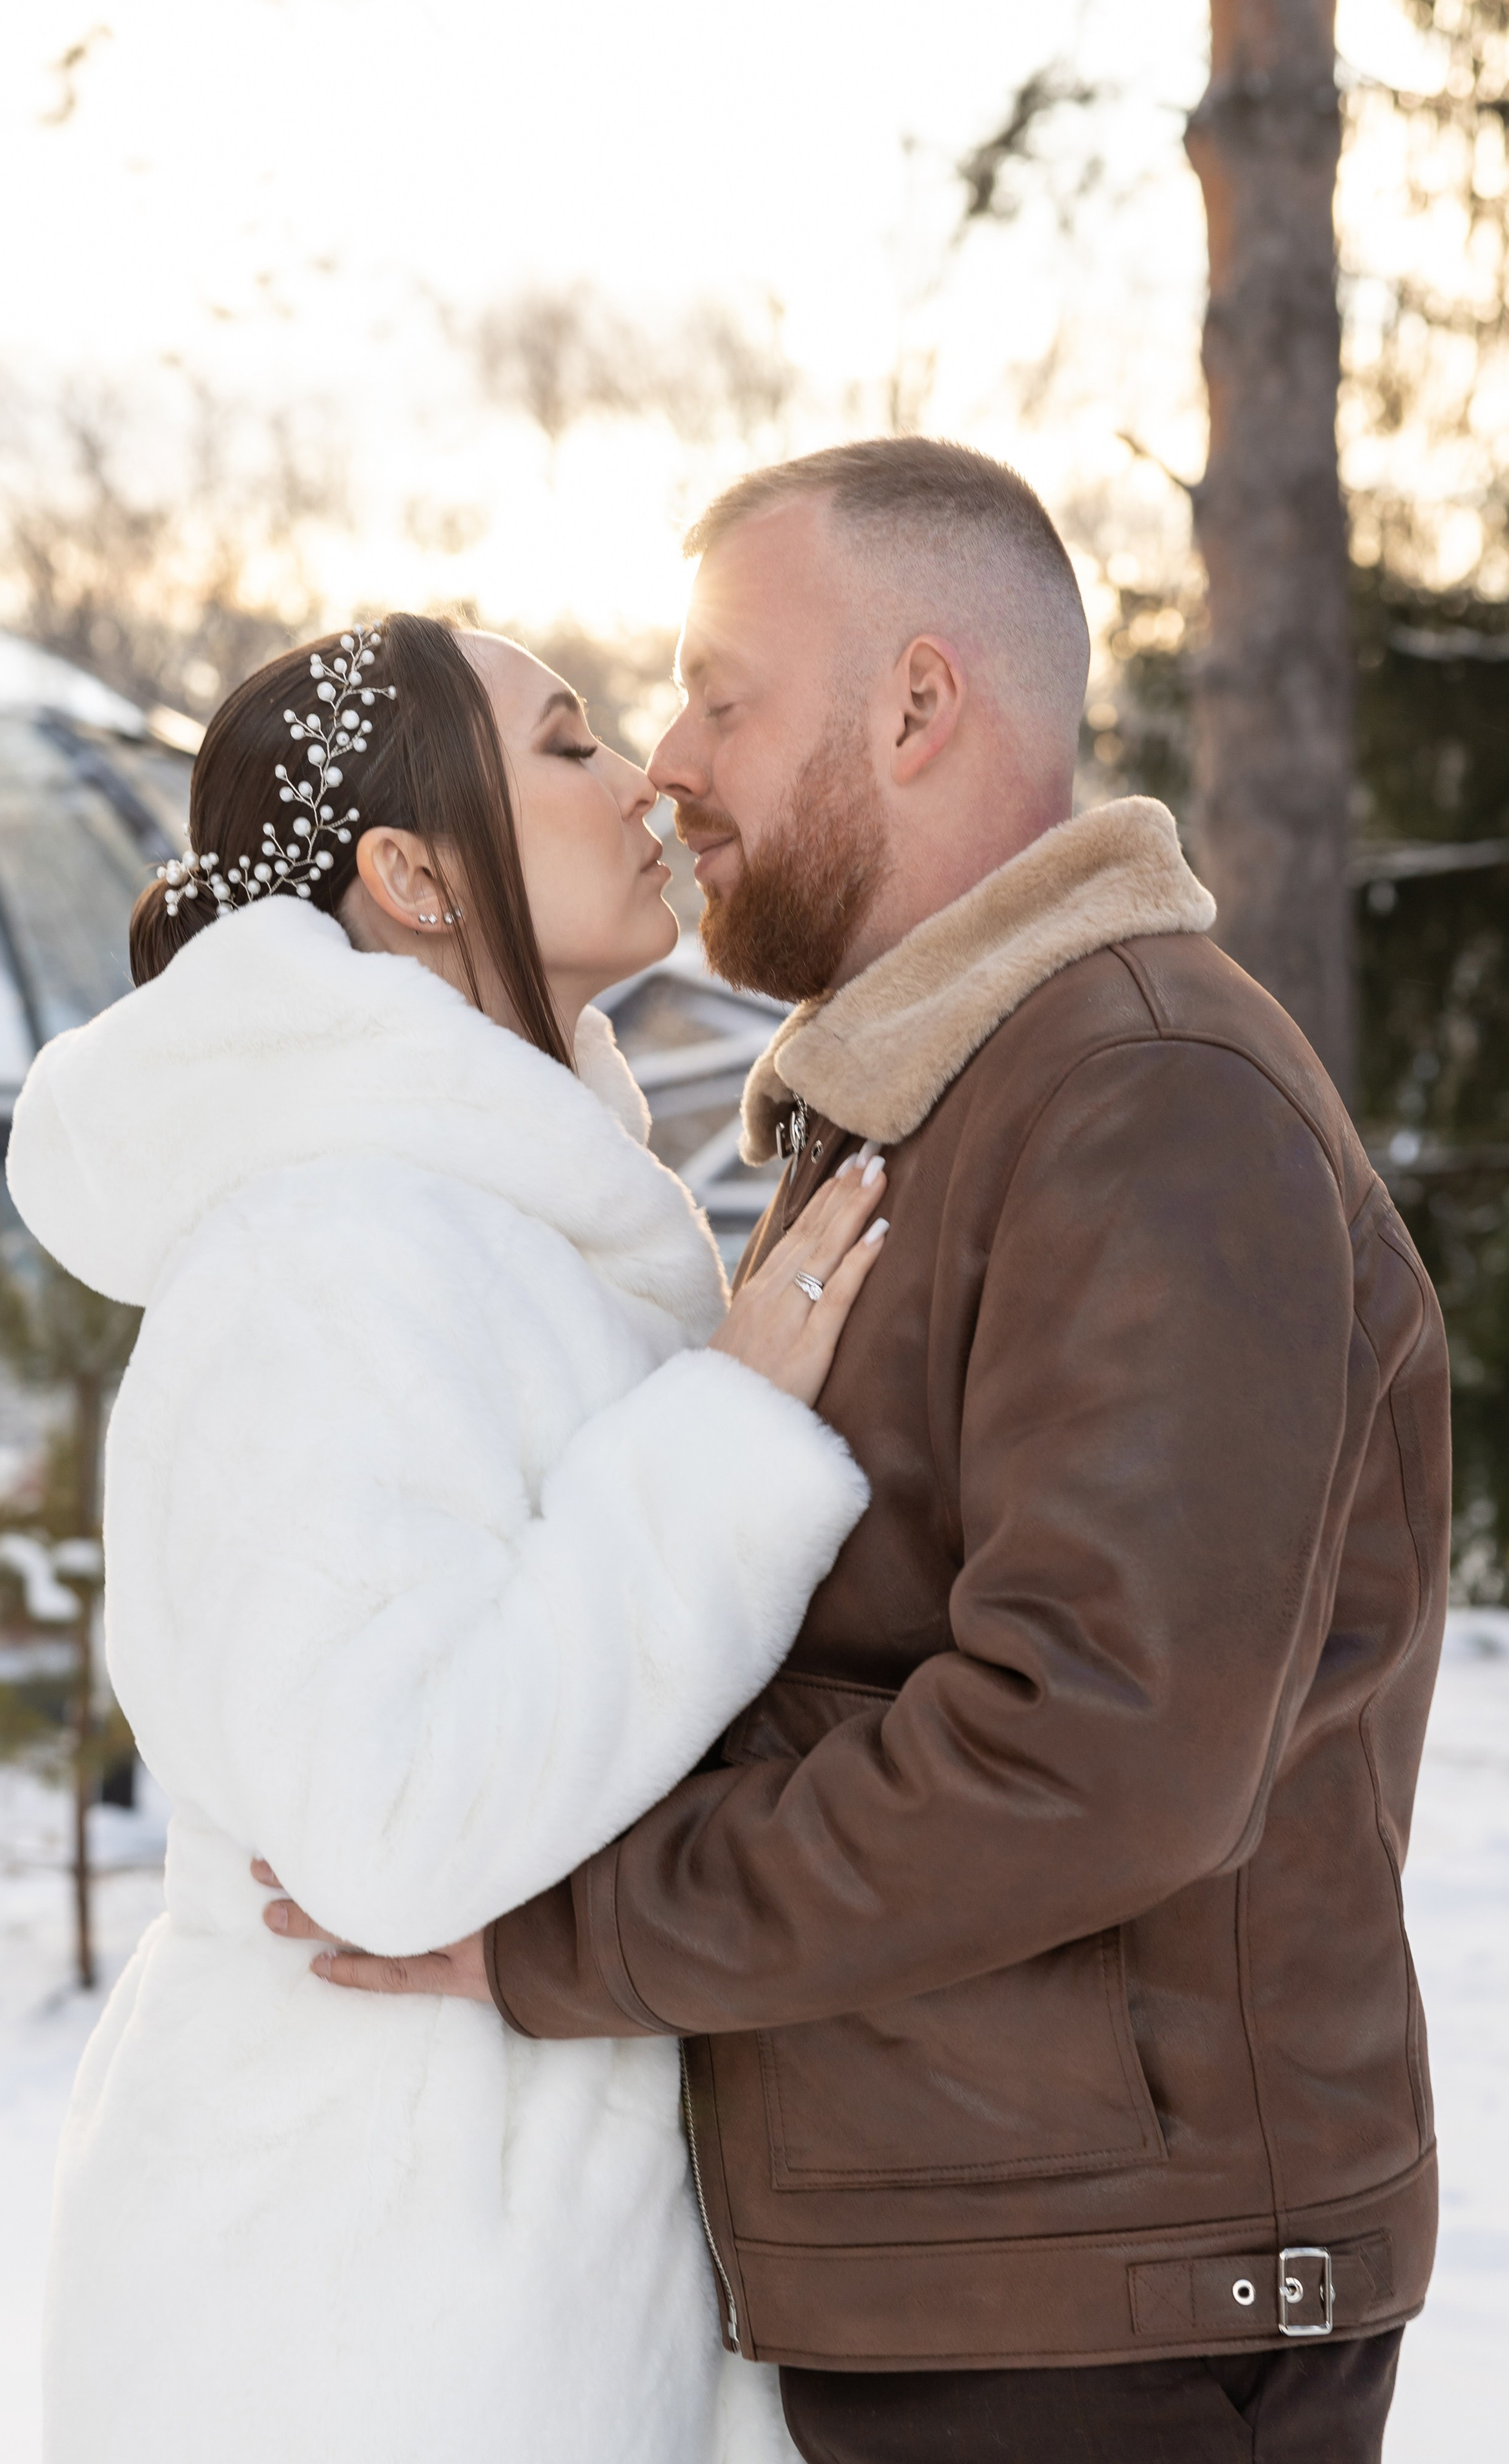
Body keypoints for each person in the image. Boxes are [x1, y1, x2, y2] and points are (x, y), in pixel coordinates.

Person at [276, 442, 1449, 2464]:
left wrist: (560, 1925)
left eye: (725, 692)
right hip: (992, 2268)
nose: (668, 758)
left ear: (917, 704)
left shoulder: (1145, 1102)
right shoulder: (946, 1102)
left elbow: (1091, 1751)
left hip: (1117, 2320)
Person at [5, 611, 894, 2464]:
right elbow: (389, 1822)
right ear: (410, 874)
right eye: (567, 743)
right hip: (362, 2304)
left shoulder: (499, 1219)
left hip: (498, 2261)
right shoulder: (322, 1250)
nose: (643, 775)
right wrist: (723, 1440)